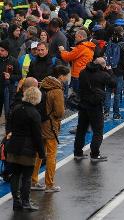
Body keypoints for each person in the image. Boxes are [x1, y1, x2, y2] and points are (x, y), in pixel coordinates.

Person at [31, 65, 70, 193]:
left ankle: (33, 180)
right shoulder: (57, 90)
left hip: (39, 122)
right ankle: (49, 184)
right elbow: (59, 112)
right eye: (66, 76)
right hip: (50, 125)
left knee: (38, 153)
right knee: (51, 154)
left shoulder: (43, 84)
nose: (67, 78)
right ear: (61, 76)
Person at [6, 86, 45, 211]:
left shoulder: (16, 109)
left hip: (13, 146)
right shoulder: (34, 114)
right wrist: (41, 152)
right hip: (27, 149)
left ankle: (16, 202)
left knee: (15, 175)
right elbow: (37, 135)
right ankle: (26, 202)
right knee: (27, 177)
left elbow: (10, 125)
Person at [74, 58, 116, 162]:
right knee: (98, 130)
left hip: (83, 104)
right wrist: (109, 71)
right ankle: (94, 154)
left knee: (81, 129)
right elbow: (113, 83)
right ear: (103, 65)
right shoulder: (103, 75)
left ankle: (78, 152)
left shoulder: (83, 72)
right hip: (95, 105)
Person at [103, 27, 124, 119]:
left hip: (108, 71)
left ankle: (106, 112)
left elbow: (104, 56)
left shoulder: (108, 43)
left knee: (108, 92)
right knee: (117, 93)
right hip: (119, 72)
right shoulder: (123, 45)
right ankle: (116, 113)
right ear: (121, 33)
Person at [0, 40, 20, 119]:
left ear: (7, 51)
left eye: (2, 50)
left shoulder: (13, 61)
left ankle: (8, 129)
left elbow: (19, 76)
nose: (0, 52)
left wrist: (10, 76)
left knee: (8, 113)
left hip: (8, 90)